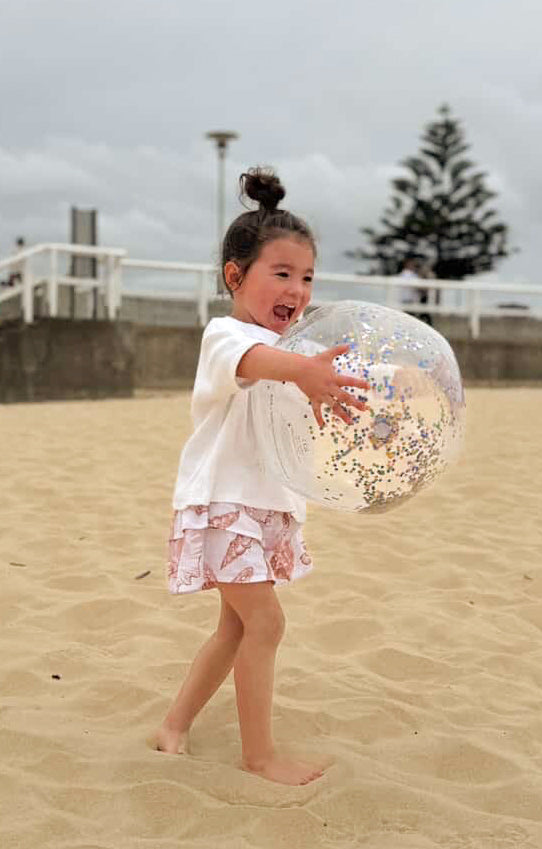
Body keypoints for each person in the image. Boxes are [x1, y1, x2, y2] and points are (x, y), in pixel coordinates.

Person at [154, 167, 370, 786]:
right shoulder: (229, 336)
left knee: (236, 626)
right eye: (281, 273)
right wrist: (302, 371)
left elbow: (293, 405)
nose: (297, 289)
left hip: (264, 505)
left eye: (306, 277)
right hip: (225, 504)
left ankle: (174, 725)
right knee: (267, 624)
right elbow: (257, 364)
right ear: (235, 276)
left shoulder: (293, 348)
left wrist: (331, 396)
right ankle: (259, 757)